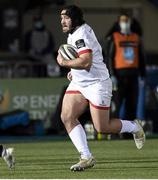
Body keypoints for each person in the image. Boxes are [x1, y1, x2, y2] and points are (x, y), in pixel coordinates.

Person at [57, 5, 145, 172]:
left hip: (97, 83)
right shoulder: (74, 33)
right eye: (61, 18)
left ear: (74, 19)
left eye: (66, 18)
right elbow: (81, 61)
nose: (62, 21)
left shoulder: (81, 34)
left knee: (102, 128)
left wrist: (64, 63)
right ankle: (86, 157)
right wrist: (72, 71)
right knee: (67, 117)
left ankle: (134, 127)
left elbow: (86, 61)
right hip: (79, 82)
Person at [105, 13, 146, 128]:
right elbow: (109, 57)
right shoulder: (114, 37)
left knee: (132, 105)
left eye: (127, 20)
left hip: (133, 75)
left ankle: (130, 131)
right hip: (118, 76)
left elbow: (141, 57)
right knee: (116, 104)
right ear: (118, 23)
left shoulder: (136, 37)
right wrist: (111, 75)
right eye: (122, 20)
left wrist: (142, 74)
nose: (125, 23)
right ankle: (113, 131)